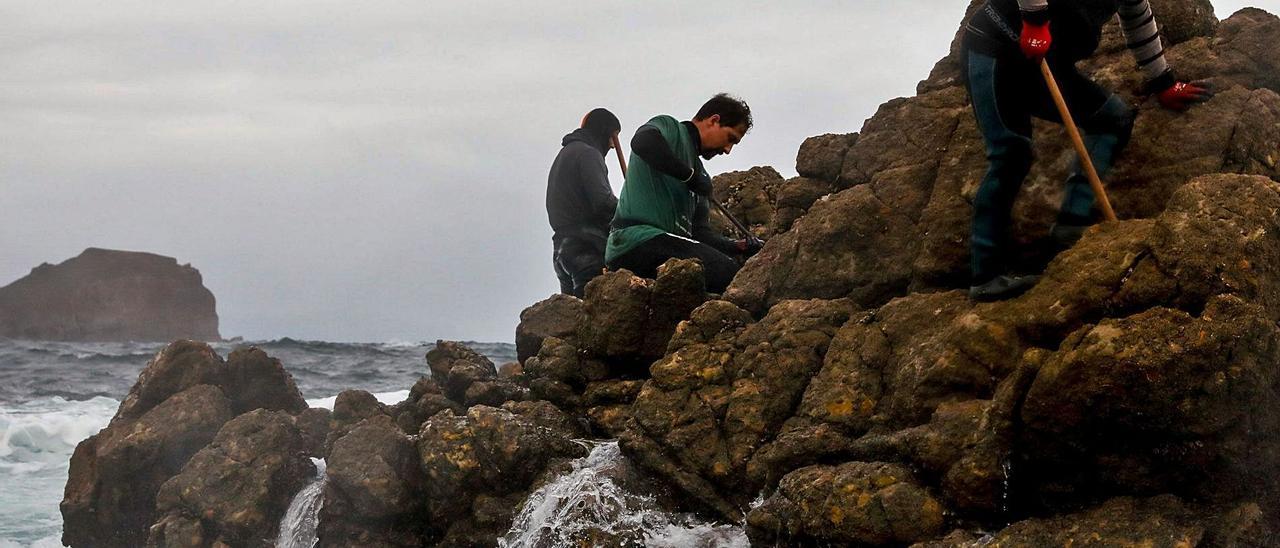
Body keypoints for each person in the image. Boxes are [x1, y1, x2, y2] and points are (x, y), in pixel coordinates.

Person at [963, 0, 1212, 301]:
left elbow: (1138, 20)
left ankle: (1071, 225)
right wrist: (1035, 21)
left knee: (1113, 119)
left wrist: (1164, 83)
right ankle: (986, 276)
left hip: (1045, 64)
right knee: (1010, 154)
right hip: (994, 49)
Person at [605, 94, 763, 294]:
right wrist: (689, 177)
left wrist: (737, 246)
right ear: (714, 120)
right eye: (730, 138)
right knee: (727, 273)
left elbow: (699, 234)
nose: (727, 149)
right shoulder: (670, 128)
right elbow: (642, 142)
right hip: (635, 241)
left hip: (667, 245)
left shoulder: (701, 175)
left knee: (726, 269)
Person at [546, 108, 622, 297]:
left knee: (572, 318)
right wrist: (630, 211)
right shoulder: (588, 154)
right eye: (613, 138)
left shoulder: (566, 154)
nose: (613, 146)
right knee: (591, 317)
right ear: (604, 131)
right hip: (587, 250)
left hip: (562, 252)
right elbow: (603, 203)